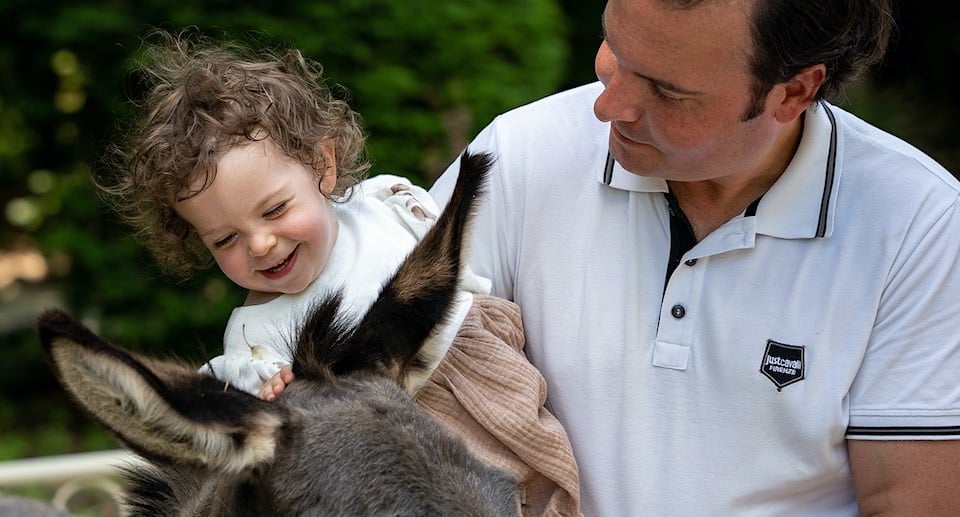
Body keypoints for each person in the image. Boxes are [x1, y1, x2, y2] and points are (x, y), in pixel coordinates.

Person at [429, 0, 960, 515]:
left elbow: (909, 502)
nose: (607, 106)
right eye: (614, 49)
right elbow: (386, 393)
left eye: (667, 91)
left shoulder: (919, 225)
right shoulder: (517, 156)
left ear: (793, 93)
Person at [99, 30, 580, 516]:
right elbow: (283, 419)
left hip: (477, 368)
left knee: (549, 476)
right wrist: (272, 394)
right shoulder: (254, 338)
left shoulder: (380, 204)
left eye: (275, 210)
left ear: (322, 166)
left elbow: (445, 257)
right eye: (225, 239)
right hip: (398, 426)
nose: (260, 244)